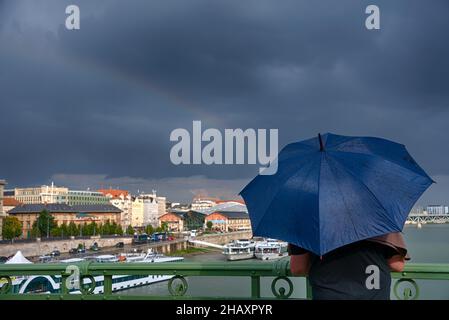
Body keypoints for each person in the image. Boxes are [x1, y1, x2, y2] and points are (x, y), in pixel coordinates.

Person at [288, 232, 409, 300]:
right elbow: (397, 265)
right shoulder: (378, 215)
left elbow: (298, 268)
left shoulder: (307, 217)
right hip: (375, 294)